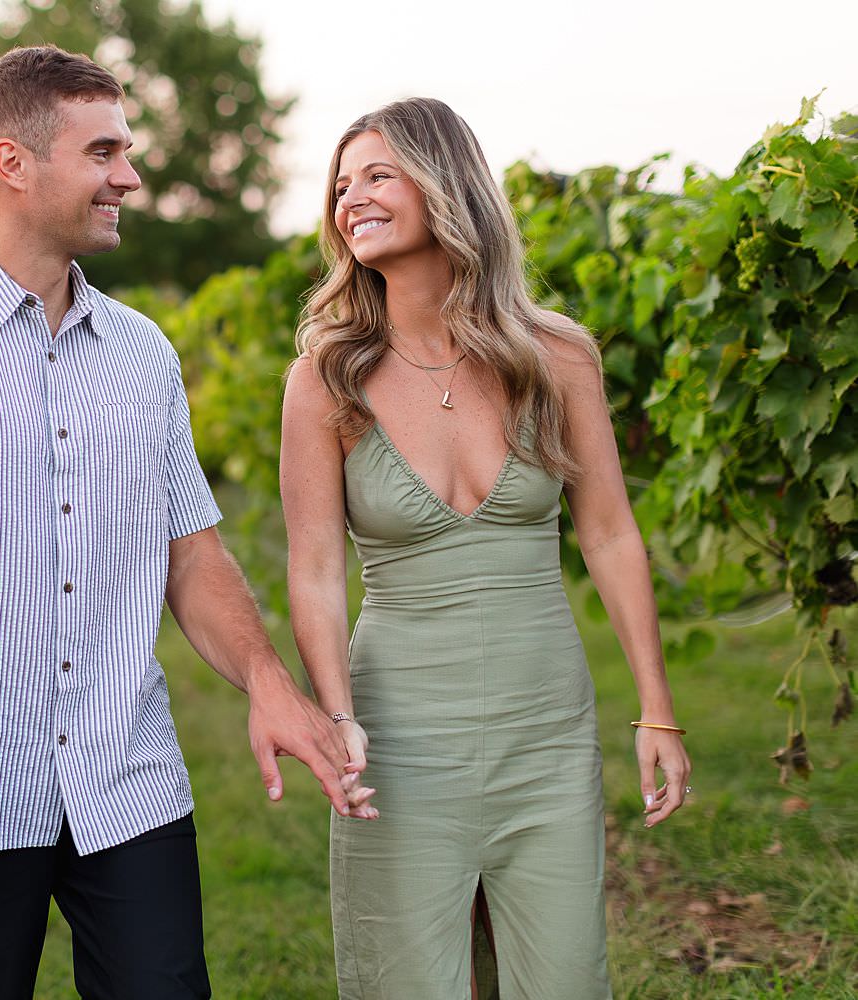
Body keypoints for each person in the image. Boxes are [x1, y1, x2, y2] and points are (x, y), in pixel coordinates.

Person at [0, 45, 361, 1000]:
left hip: (126, 780)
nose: (130, 177)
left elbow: (191, 554)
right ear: (13, 162)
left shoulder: (141, 355)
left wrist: (268, 680)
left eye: (126, 151)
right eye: (104, 152)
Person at [280, 97, 693, 999]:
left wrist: (656, 710)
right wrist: (337, 717)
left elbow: (612, 535)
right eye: (341, 185)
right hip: (394, 740)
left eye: (378, 175)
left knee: (563, 980)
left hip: (544, 729)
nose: (352, 199)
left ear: (444, 183)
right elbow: (314, 567)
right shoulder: (325, 377)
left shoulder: (555, 355)